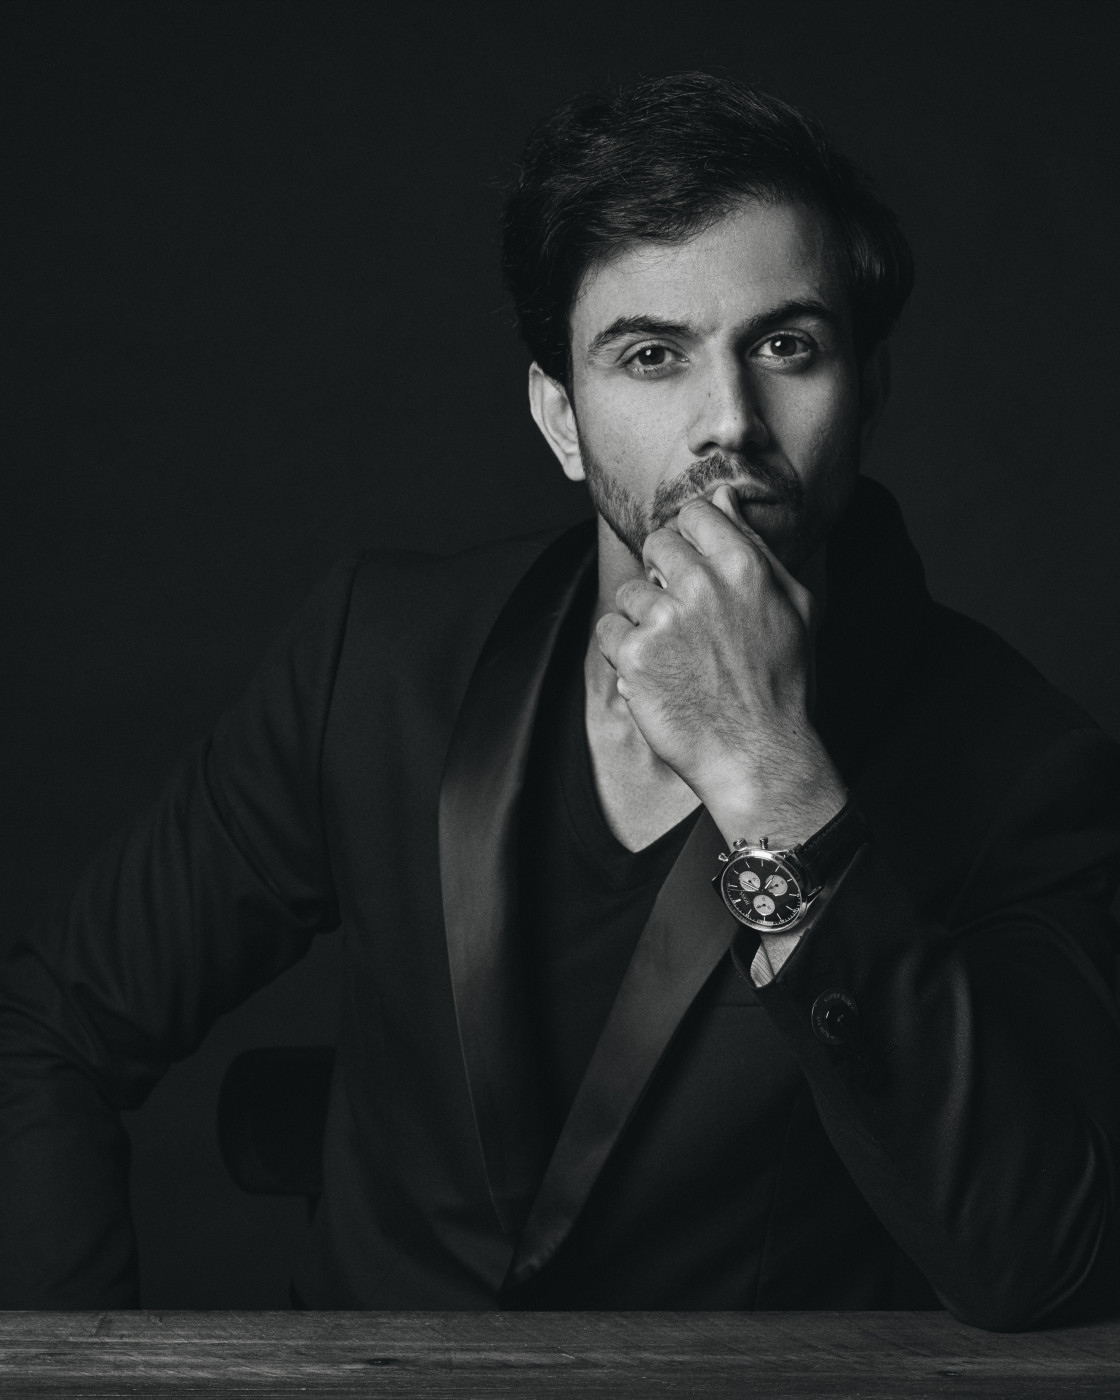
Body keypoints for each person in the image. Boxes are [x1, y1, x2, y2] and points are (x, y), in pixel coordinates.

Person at [2, 72, 1119, 1327]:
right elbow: (50, 1032)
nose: (729, 422)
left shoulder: (1019, 763)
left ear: (868, 386)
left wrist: (769, 772)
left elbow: (1050, 1259)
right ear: (562, 419)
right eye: (650, 355)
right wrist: (69, 1369)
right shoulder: (378, 657)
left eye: (785, 346)